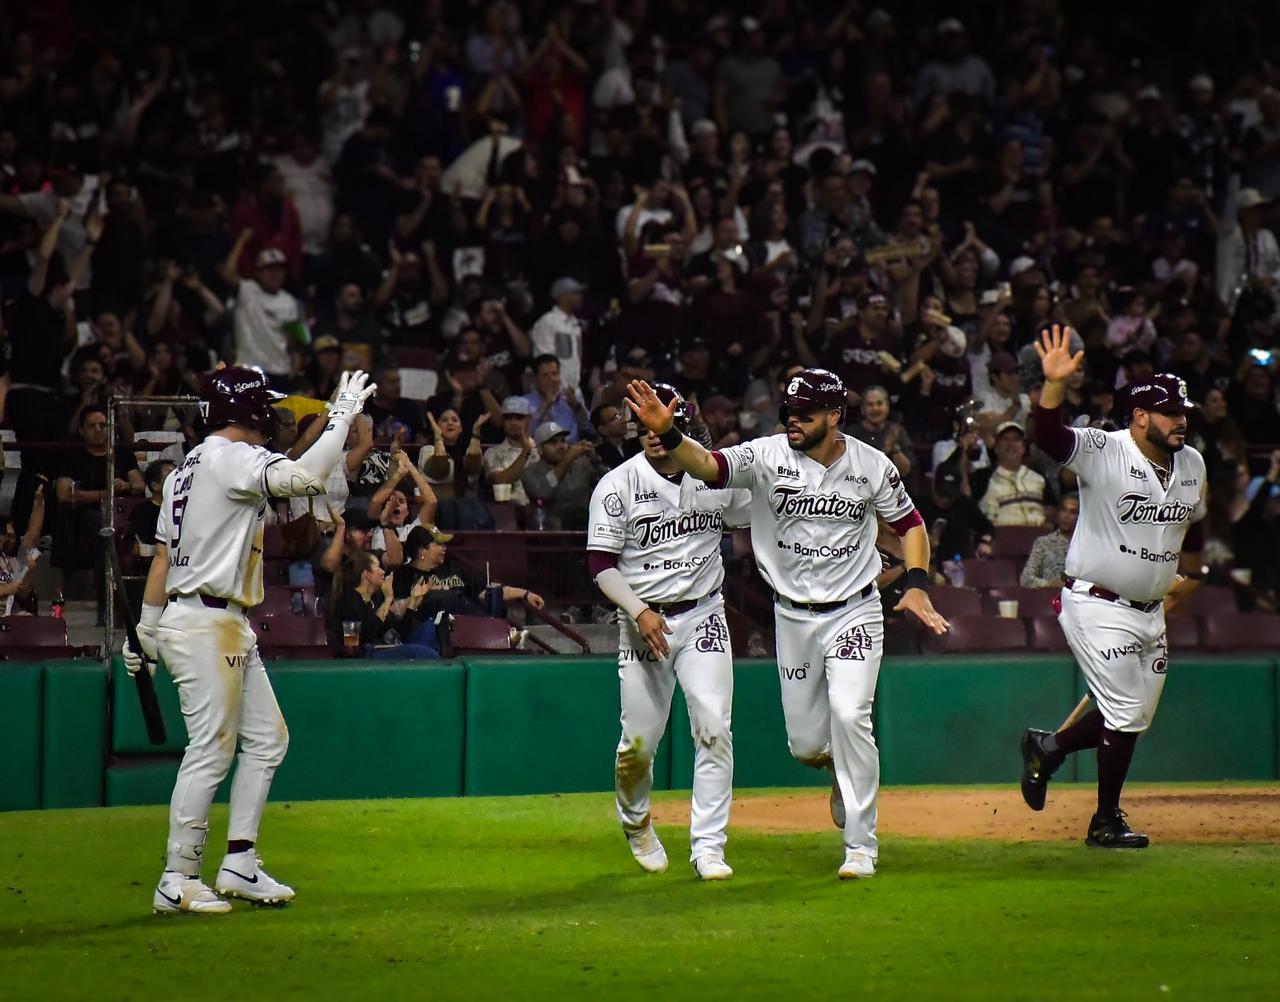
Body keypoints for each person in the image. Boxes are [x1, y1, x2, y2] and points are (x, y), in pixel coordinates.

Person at [625, 369, 948, 879]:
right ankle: (839, 774)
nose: (793, 421)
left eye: (807, 414)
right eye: (789, 413)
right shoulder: (767, 455)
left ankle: (861, 846)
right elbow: (708, 466)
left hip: (854, 608)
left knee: (850, 715)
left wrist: (916, 582)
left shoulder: (871, 465)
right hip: (793, 617)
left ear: (836, 415)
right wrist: (668, 433)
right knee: (805, 746)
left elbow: (911, 525)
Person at [121, 366, 377, 913]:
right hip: (208, 621)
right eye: (266, 405)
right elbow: (308, 478)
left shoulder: (185, 469)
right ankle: (178, 876)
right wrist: (342, 415)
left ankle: (238, 862)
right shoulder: (230, 457)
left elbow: (164, 556)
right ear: (247, 410)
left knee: (267, 738)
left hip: (207, 617)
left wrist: (146, 628)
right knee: (211, 749)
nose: (275, 415)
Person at [1018, 327, 1206, 849]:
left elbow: (1198, 525)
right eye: (1170, 412)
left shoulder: (1191, 463)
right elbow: (1050, 437)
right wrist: (1053, 387)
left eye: (1183, 410)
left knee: (1132, 717)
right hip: (1097, 602)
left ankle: (1048, 747)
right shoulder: (1105, 448)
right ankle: (1105, 820)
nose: (1181, 420)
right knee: (1123, 712)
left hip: (1151, 611)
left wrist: (1193, 572)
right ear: (1141, 416)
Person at [587, 384, 751, 880]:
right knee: (638, 743)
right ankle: (636, 822)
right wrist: (638, 611)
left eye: (665, 421)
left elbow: (755, 510)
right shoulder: (617, 484)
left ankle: (708, 848)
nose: (654, 433)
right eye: (645, 423)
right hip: (643, 623)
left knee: (714, 729)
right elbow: (599, 563)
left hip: (703, 613)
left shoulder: (710, 473)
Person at [327, 550, 436, 658]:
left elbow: (401, 631)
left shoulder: (377, 599)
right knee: (425, 655)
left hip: (389, 647)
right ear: (366, 574)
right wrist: (388, 599)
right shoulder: (349, 600)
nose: (383, 571)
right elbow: (354, 641)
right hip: (367, 655)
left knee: (430, 628)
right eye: (378, 567)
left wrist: (413, 600)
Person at [521, 422, 607, 530]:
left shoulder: (581, 464)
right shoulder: (530, 472)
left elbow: (612, 484)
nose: (561, 446)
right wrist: (567, 460)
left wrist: (596, 461)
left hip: (586, 529)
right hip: (552, 534)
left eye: (563, 441)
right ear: (540, 450)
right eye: (553, 443)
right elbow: (542, 492)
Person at [977, 422, 1047, 527]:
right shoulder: (982, 477)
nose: (1011, 444)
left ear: (1023, 448)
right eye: (1005, 439)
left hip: (1037, 537)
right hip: (1001, 538)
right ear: (996, 448)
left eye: (1016, 439)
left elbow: (1052, 510)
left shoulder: (1039, 477)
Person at [1020, 493, 1080, 588]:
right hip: (1050, 597)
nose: (1066, 516)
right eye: (1063, 510)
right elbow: (1026, 579)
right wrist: (1050, 584)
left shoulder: (1087, 546)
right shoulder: (1043, 543)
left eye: (1073, 512)